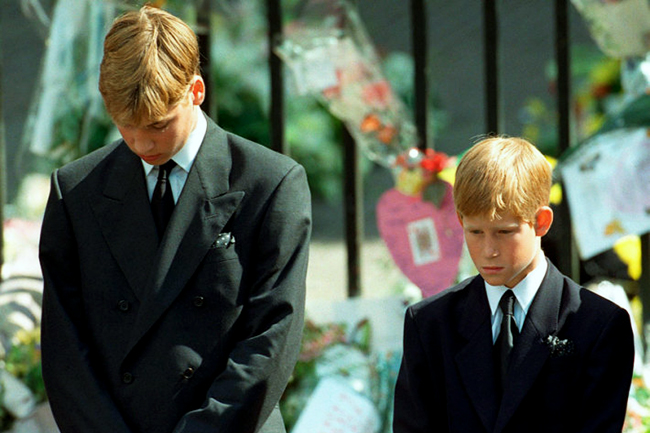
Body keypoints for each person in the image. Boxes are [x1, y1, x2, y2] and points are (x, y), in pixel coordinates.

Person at [38, 5, 311, 433]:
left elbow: (271, 337)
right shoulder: (75, 192)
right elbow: (64, 347)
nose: (141, 143)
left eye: (158, 125)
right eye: (125, 126)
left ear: (195, 90)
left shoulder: (271, 184)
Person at [393, 136, 634, 432]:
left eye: (504, 232)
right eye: (475, 232)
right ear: (460, 220)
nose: (488, 250)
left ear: (541, 222)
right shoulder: (429, 324)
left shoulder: (599, 325)